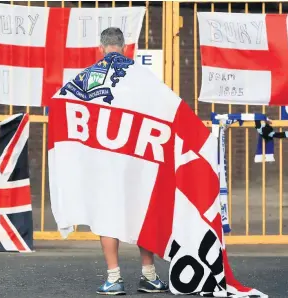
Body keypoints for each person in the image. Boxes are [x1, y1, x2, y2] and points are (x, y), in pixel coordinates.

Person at [95, 27, 169, 296]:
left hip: (105, 156)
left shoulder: (91, 77)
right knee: (141, 215)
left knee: (107, 215)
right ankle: (148, 275)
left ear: (101, 48)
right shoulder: (141, 75)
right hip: (138, 155)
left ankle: (114, 278)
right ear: (125, 48)